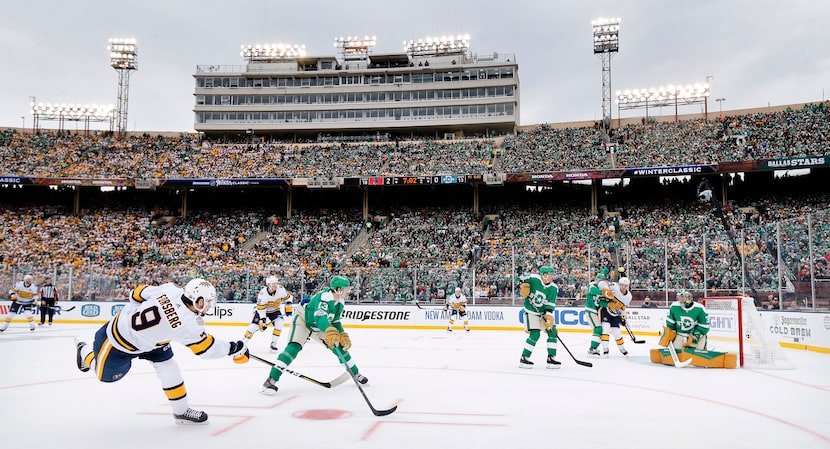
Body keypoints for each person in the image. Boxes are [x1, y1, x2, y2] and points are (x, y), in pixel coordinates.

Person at [74, 278, 250, 424]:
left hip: (152, 342)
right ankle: (84, 352)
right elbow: (207, 350)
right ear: (199, 301)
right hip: (117, 342)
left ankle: (181, 412)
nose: (210, 307)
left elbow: (136, 294)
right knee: (103, 376)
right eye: (209, 302)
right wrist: (234, 348)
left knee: (169, 368)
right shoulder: (189, 325)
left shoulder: (170, 289)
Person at [261, 275, 368, 394]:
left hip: (319, 326)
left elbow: (335, 321)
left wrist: (342, 333)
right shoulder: (325, 297)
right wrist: (330, 330)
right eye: (346, 289)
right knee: (293, 347)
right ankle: (271, 380)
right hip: (303, 320)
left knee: (339, 346)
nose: (348, 292)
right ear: (338, 290)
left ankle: (355, 373)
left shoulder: (340, 302)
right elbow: (320, 317)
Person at [650, 290, 736, 368]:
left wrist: (695, 335)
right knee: (676, 356)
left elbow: (705, 326)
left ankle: (703, 346)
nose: (680, 300)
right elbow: (670, 323)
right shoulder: (674, 306)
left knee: (696, 359)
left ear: (689, 299)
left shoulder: (699, 308)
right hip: (680, 335)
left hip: (696, 335)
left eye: (682, 298)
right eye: (679, 298)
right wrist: (669, 334)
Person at [516, 266, 561, 369]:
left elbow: (550, 304)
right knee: (535, 334)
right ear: (544, 275)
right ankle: (524, 358)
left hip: (542, 313)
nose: (552, 277)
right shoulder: (534, 279)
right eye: (550, 275)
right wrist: (521, 285)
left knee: (552, 331)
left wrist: (548, 316)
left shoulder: (553, 288)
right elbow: (519, 280)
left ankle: (551, 359)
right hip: (530, 311)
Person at [242, 275, 294, 352]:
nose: (275, 285)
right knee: (253, 327)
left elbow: (289, 297)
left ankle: (273, 344)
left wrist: (288, 305)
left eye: (276, 283)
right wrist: (263, 320)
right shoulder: (262, 294)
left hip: (275, 311)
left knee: (280, 323)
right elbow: (261, 309)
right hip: (263, 311)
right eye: (273, 284)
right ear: (268, 285)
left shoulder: (281, 289)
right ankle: (243, 343)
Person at [584, 268, 613, 357]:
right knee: (598, 329)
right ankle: (592, 349)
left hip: (596, 313)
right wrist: (604, 293)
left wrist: (611, 303)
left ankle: (594, 347)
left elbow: (603, 303)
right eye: (600, 280)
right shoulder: (592, 285)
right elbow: (592, 291)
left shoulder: (603, 290)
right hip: (590, 310)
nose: (601, 282)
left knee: (600, 330)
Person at [600, 277, 632, 356]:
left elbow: (623, 308)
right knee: (606, 329)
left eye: (625, 285)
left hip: (615, 314)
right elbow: (601, 284)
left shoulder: (629, 296)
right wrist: (607, 291)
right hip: (606, 310)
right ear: (619, 284)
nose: (623, 287)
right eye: (622, 285)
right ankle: (605, 349)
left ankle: (622, 348)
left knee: (617, 332)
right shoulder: (614, 286)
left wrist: (623, 317)